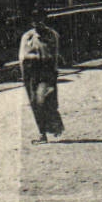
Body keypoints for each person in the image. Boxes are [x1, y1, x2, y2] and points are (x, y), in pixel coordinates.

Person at [19, 15, 65, 144]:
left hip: (47, 71)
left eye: (39, 21)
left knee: (44, 100)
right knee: (35, 102)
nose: (37, 24)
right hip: (32, 73)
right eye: (34, 22)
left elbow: (54, 54)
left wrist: (54, 72)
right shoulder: (27, 37)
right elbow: (22, 57)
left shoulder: (52, 35)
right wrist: (25, 74)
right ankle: (42, 133)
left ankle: (55, 124)